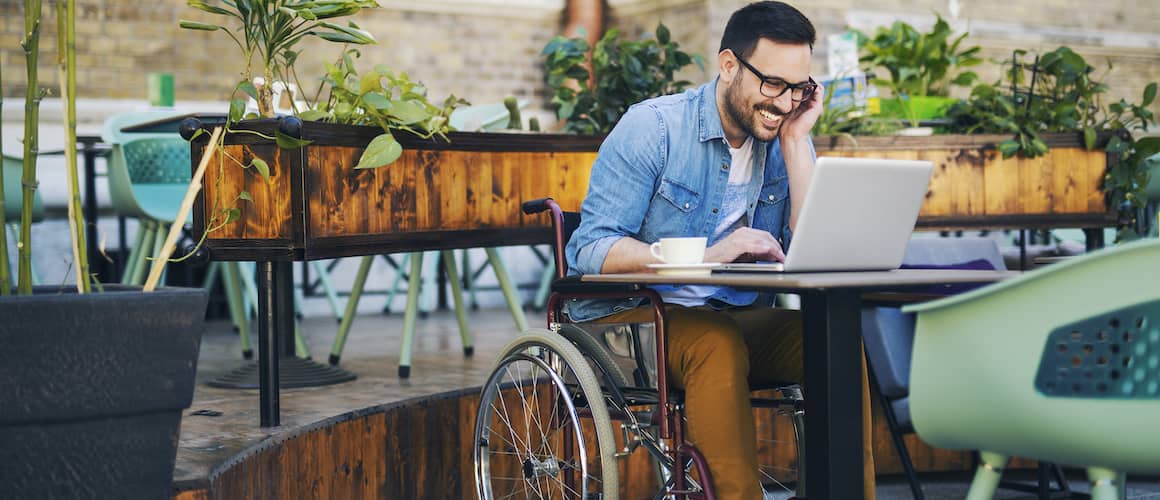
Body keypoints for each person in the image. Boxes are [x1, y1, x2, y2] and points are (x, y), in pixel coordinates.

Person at [564, 2, 876, 498]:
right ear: (728, 65)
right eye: (772, 84)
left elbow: (811, 252)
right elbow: (592, 250)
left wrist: (797, 140)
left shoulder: (785, 132)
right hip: (629, 321)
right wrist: (712, 253)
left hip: (725, 316)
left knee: (831, 336)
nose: (784, 101)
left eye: (799, 88)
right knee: (715, 342)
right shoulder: (655, 129)